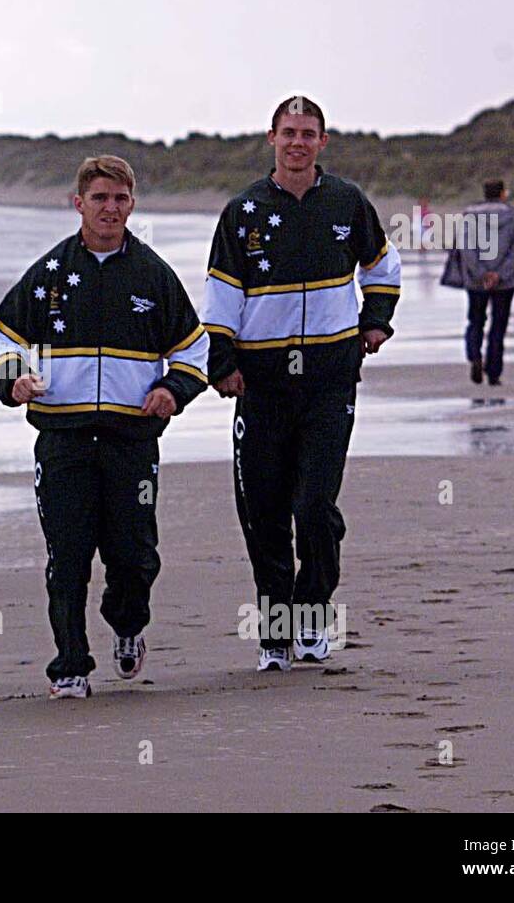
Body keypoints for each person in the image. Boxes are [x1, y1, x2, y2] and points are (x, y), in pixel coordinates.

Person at [0, 155, 208, 699]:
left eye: (120, 199)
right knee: (67, 555)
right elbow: (0, 338)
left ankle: (127, 624)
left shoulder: (153, 276)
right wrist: (13, 380)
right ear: (78, 203)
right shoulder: (49, 274)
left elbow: (194, 349)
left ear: (132, 205)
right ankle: (70, 665)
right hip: (63, 439)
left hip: (131, 441)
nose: (110, 208)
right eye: (100, 198)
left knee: (133, 557)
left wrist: (170, 390)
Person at [201, 96, 400, 672]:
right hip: (261, 383)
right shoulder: (242, 212)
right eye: (288, 132)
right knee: (263, 511)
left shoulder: (347, 201)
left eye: (308, 133)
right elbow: (222, 295)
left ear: (322, 141)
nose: (298, 142)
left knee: (314, 506)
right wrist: (222, 362)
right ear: (271, 138)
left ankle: (311, 616)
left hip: (330, 379)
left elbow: (382, 269)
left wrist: (375, 322)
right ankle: (273, 632)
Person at [441, 179, 514, 385]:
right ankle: (494, 372)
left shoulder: (470, 215)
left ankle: (475, 355)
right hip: (506, 280)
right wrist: (499, 274)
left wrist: (481, 273)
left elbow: (466, 247)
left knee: (475, 320)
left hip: (475, 280)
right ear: (502, 194)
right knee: (498, 325)